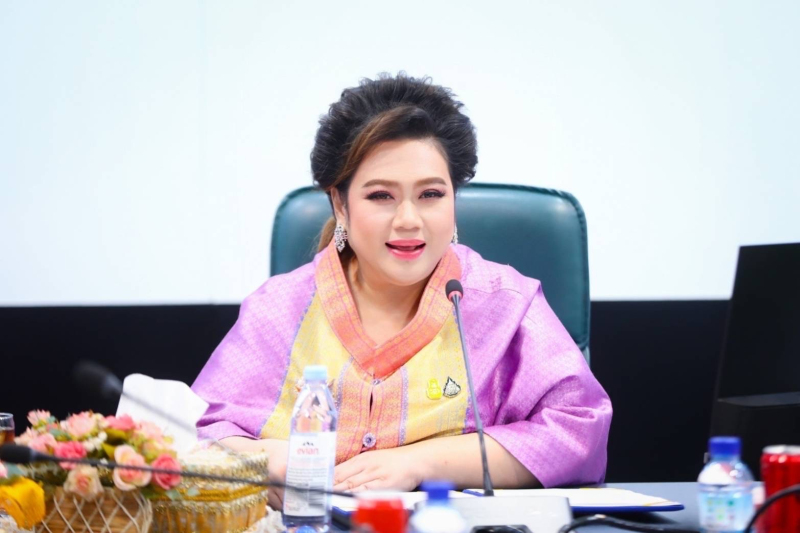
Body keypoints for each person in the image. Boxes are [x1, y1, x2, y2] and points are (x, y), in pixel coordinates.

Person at [191, 73, 612, 509]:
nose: (409, 220)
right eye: (381, 196)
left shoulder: (507, 303)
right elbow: (196, 432)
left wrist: (421, 463)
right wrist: (267, 461)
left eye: (431, 194)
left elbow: (580, 430)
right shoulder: (278, 309)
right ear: (340, 204)